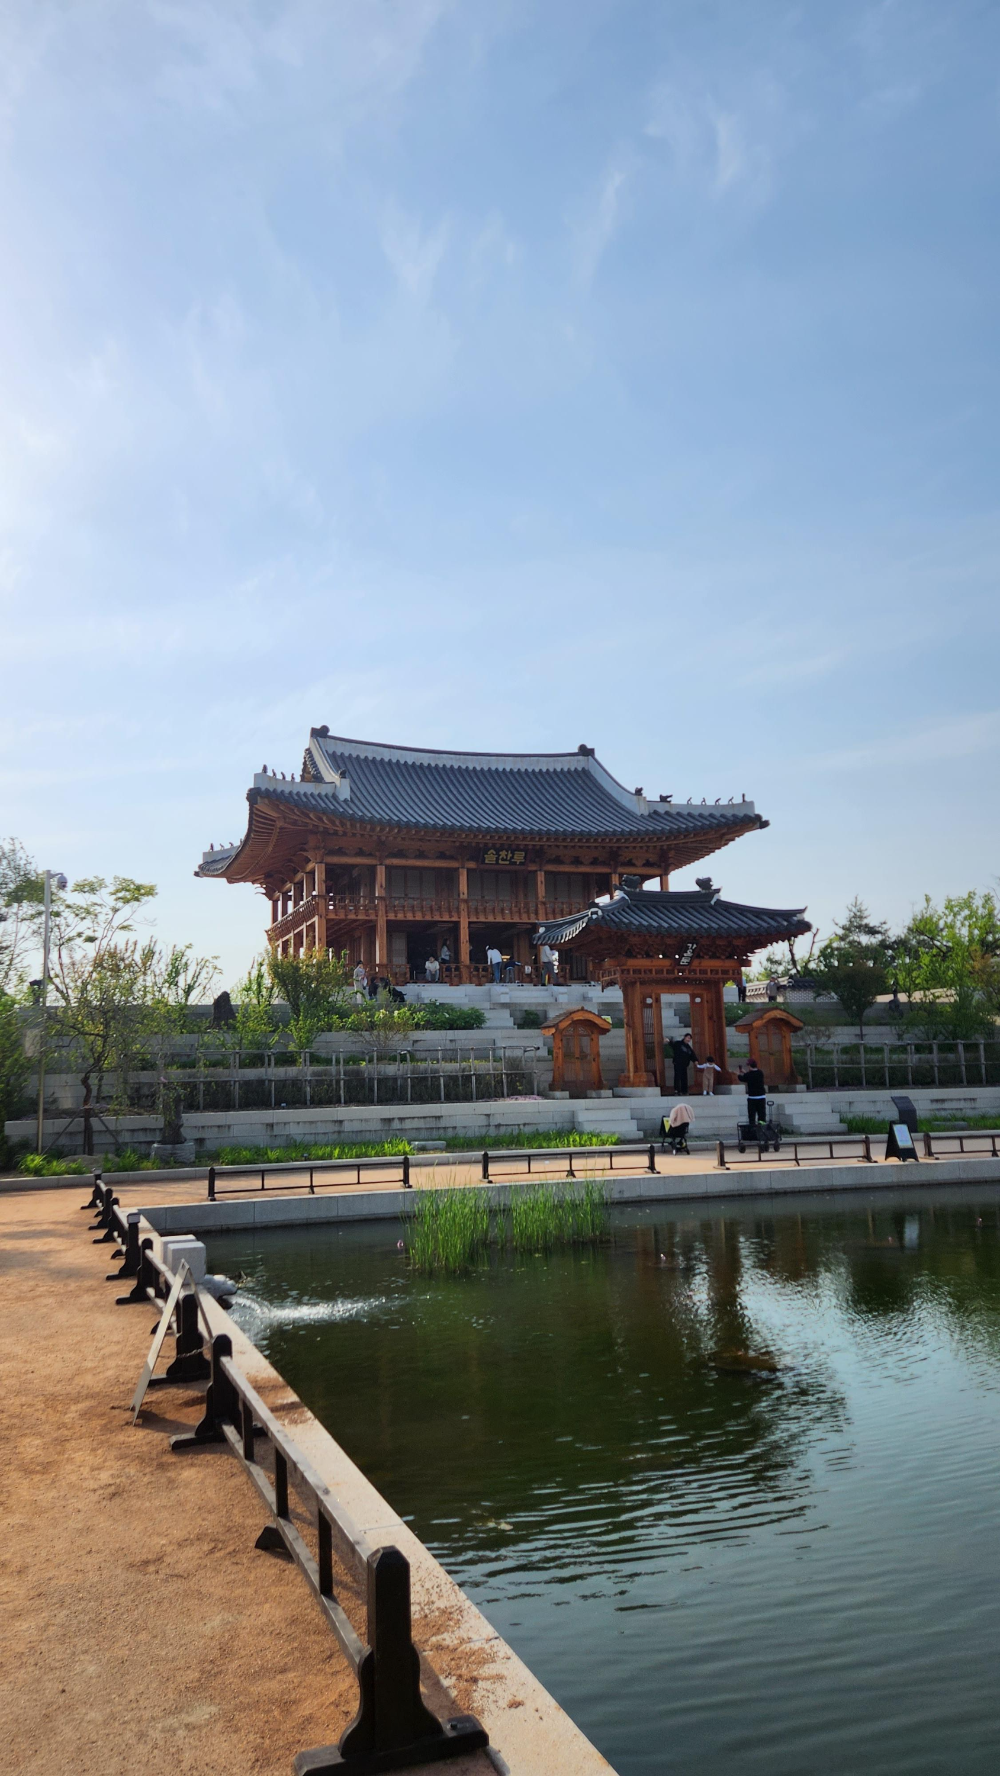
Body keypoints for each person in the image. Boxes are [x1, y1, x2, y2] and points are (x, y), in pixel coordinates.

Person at [739, 1057, 767, 1126]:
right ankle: (762, 1127)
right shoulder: (760, 1073)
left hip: (752, 1098)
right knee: (761, 1114)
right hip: (761, 1097)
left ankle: (752, 1127)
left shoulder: (748, 1075)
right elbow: (751, 1076)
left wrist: (738, 1074)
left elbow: (743, 1078)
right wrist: (745, 1072)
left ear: (749, 1066)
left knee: (752, 1115)